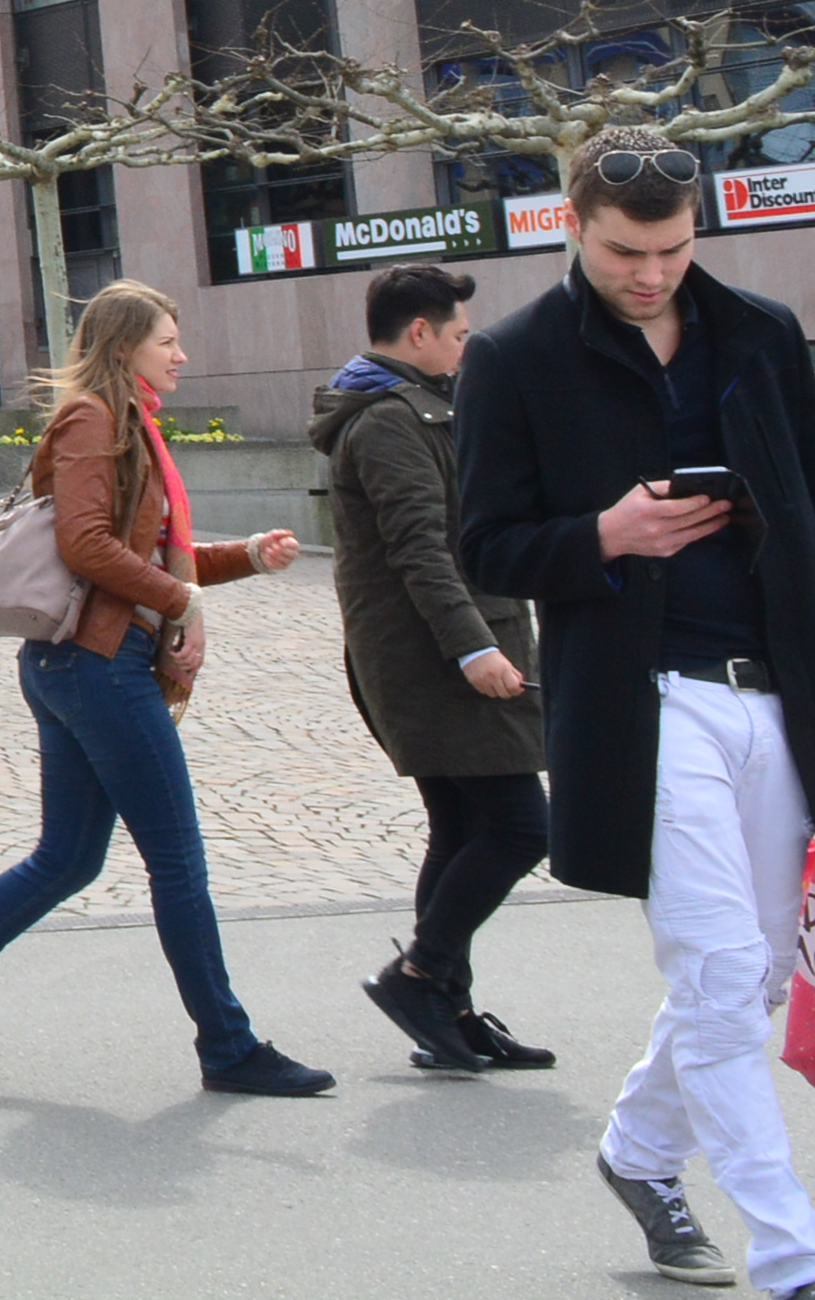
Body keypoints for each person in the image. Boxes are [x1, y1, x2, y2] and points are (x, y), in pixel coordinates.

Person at [457, 132, 815, 1300]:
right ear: (569, 226)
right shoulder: (512, 356)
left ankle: (637, 1153)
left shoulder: (761, 335)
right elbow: (482, 544)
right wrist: (602, 533)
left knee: (763, 970)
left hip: (780, 695)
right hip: (642, 707)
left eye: (672, 249)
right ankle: (797, 1255)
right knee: (714, 963)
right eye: (622, 251)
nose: (649, 273)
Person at [0, 279, 329, 1097]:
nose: (182, 354)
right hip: (95, 667)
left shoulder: (132, 426)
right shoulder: (95, 420)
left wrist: (245, 557)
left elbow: (141, 560)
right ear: (124, 349)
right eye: (166, 341)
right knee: (177, 863)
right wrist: (181, 597)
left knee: (70, 857)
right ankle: (228, 1046)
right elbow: (85, 548)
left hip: (79, 664)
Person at [313, 262, 553, 1071]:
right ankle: (419, 976)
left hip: (439, 652)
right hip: (435, 661)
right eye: (455, 334)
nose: (463, 348)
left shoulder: (417, 406)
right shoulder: (387, 420)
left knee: (462, 828)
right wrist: (474, 648)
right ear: (419, 334)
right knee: (522, 826)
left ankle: (448, 1012)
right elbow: (419, 547)